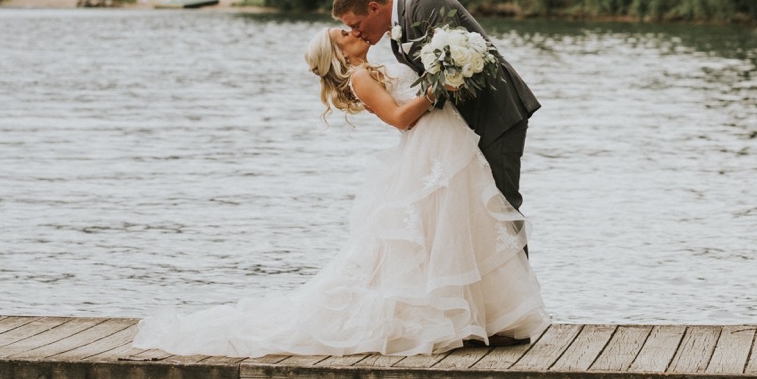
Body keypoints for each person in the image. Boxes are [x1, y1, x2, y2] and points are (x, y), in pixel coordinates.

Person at [131, 26, 548, 357]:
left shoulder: (376, 67)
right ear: (338, 54)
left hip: (445, 147)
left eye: (348, 28)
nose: (352, 31)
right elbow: (401, 119)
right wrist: (437, 88)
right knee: (434, 235)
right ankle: (457, 319)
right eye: (343, 34)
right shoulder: (361, 78)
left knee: (460, 228)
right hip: (430, 154)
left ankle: (481, 319)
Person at [332, 0, 540, 217]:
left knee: (502, 208)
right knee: (475, 214)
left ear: (373, 8)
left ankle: (517, 257)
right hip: (462, 128)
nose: (357, 32)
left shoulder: (427, 3)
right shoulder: (396, 41)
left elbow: (454, 67)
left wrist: (410, 107)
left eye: (356, 24)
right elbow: (430, 82)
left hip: (496, 114)